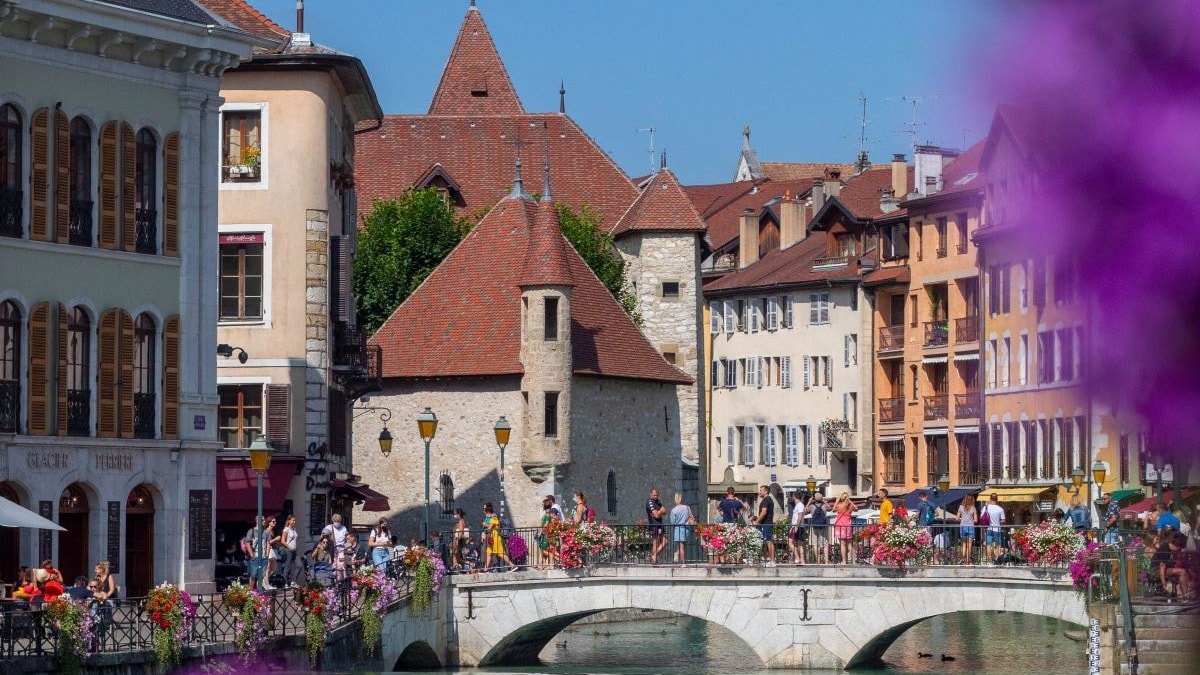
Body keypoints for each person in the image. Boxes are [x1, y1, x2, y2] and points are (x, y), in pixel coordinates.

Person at [482, 502, 516, 572]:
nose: (483, 510)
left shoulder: (494, 517)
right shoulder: (488, 517)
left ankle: (512, 565)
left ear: (487, 509)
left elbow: (490, 527)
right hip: (491, 537)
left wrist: (485, 524)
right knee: (489, 552)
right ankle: (486, 569)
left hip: (496, 537)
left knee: (500, 553)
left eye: (484, 508)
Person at [242, 516, 270, 590]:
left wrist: (267, 554)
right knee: (253, 576)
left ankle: (259, 593)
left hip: (263, 557)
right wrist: (252, 555)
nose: (264, 521)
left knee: (261, 576)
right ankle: (250, 593)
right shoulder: (252, 531)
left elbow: (268, 543)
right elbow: (247, 543)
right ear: (257, 521)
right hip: (255, 556)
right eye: (263, 520)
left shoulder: (266, 532)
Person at [753, 485, 777, 566]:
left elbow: (764, 512)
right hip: (765, 523)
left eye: (761, 490)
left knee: (769, 541)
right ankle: (766, 559)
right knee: (764, 540)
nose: (760, 492)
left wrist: (757, 521)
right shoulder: (767, 500)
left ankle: (772, 561)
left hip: (766, 523)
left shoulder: (766, 500)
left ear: (766, 491)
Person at [833, 492, 857, 564]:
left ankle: (844, 561)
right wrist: (851, 502)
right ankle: (853, 561)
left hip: (839, 525)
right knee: (849, 544)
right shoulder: (850, 506)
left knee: (842, 544)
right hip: (847, 525)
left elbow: (833, 510)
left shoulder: (839, 505)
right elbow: (856, 508)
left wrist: (836, 501)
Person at [669, 492, 693, 564]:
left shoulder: (674, 510)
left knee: (681, 546)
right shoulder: (687, 507)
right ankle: (678, 556)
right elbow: (691, 516)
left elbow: (673, 522)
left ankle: (682, 562)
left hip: (678, 528)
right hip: (686, 528)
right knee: (684, 545)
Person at [537, 498, 562, 569]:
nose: (542, 505)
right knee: (546, 549)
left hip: (546, 534)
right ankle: (544, 564)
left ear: (545, 505)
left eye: (543, 504)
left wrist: (540, 532)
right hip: (546, 533)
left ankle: (559, 560)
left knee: (544, 550)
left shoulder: (548, 514)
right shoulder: (548, 513)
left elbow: (546, 524)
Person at [982, 494, 1006, 563]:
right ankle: (996, 559)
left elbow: (982, 517)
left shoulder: (985, 507)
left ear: (990, 498)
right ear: (997, 499)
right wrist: (998, 521)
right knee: (998, 545)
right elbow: (1003, 520)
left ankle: (990, 561)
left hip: (988, 529)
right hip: (997, 529)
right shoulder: (1000, 509)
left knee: (988, 545)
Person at [646, 487, 668, 564]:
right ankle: (654, 560)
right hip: (654, 525)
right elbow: (656, 516)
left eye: (657, 495)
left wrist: (659, 512)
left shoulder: (658, 502)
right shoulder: (650, 502)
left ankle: (654, 556)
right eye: (654, 495)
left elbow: (665, 511)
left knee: (665, 541)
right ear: (651, 494)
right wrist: (660, 512)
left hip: (660, 525)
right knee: (655, 542)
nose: (656, 497)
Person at [280, 515, 302, 587]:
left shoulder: (294, 529)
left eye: (295, 520)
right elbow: (282, 541)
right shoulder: (286, 529)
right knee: (287, 566)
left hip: (294, 551)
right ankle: (285, 582)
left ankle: (293, 581)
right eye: (293, 520)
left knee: (299, 565)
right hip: (288, 550)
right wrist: (289, 547)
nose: (294, 522)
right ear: (289, 521)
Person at [808, 493, 829, 564]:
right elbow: (830, 508)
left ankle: (818, 560)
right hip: (823, 527)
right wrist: (824, 501)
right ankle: (826, 561)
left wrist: (809, 502)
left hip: (814, 527)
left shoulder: (811, 506)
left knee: (815, 544)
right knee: (825, 544)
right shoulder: (824, 506)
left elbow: (805, 510)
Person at [957, 494, 978, 564]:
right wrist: (970, 519)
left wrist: (962, 520)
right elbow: (976, 520)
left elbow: (957, 518)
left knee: (963, 544)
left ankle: (963, 558)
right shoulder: (973, 508)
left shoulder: (960, 507)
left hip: (963, 526)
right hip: (970, 527)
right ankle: (968, 560)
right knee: (969, 544)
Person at [788, 492, 806, 565]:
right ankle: (801, 560)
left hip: (797, 526)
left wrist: (796, 526)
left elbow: (800, 515)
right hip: (796, 526)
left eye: (793, 496)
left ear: (794, 497)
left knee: (790, 542)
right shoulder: (798, 505)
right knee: (799, 543)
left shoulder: (800, 505)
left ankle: (797, 557)